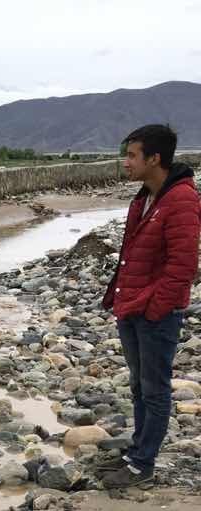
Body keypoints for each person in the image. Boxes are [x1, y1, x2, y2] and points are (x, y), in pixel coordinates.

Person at [100, 124, 200, 488]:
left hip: (154, 314)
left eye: (132, 155)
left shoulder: (182, 200)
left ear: (154, 158)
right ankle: (137, 449)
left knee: (155, 389)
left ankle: (143, 465)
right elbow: (131, 255)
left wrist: (157, 309)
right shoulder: (144, 197)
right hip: (131, 307)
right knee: (139, 386)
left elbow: (183, 266)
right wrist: (122, 299)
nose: (125, 162)